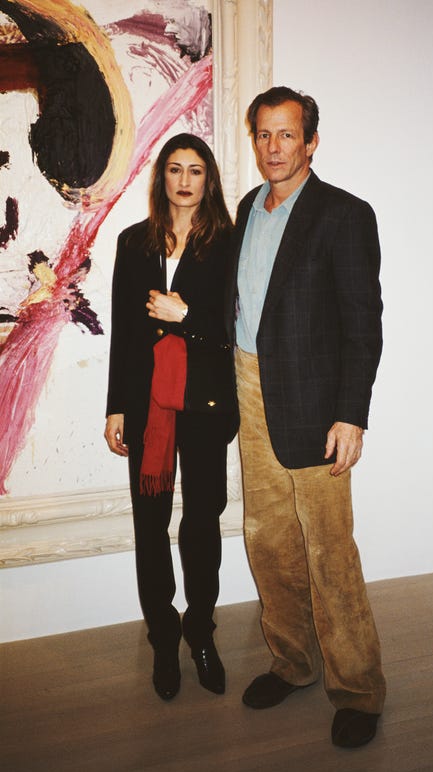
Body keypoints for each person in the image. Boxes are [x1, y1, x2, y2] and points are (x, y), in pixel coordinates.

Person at [226, 87, 386, 748]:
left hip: (317, 401)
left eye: (287, 134)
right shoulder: (246, 209)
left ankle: (357, 688)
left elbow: (363, 322)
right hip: (248, 384)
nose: (273, 147)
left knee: (328, 546)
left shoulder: (345, 214)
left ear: (311, 141)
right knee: (267, 536)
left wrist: (351, 414)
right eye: (264, 133)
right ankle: (292, 661)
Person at [105, 133, 237, 701]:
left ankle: (200, 633)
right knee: (150, 525)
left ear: (209, 181)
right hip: (146, 406)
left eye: (196, 171)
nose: (185, 181)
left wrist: (187, 316)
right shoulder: (133, 242)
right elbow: (125, 333)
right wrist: (114, 405)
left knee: (202, 523)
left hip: (205, 403)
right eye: (175, 170)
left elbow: (236, 328)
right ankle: (163, 638)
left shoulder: (230, 243)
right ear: (162, 178)